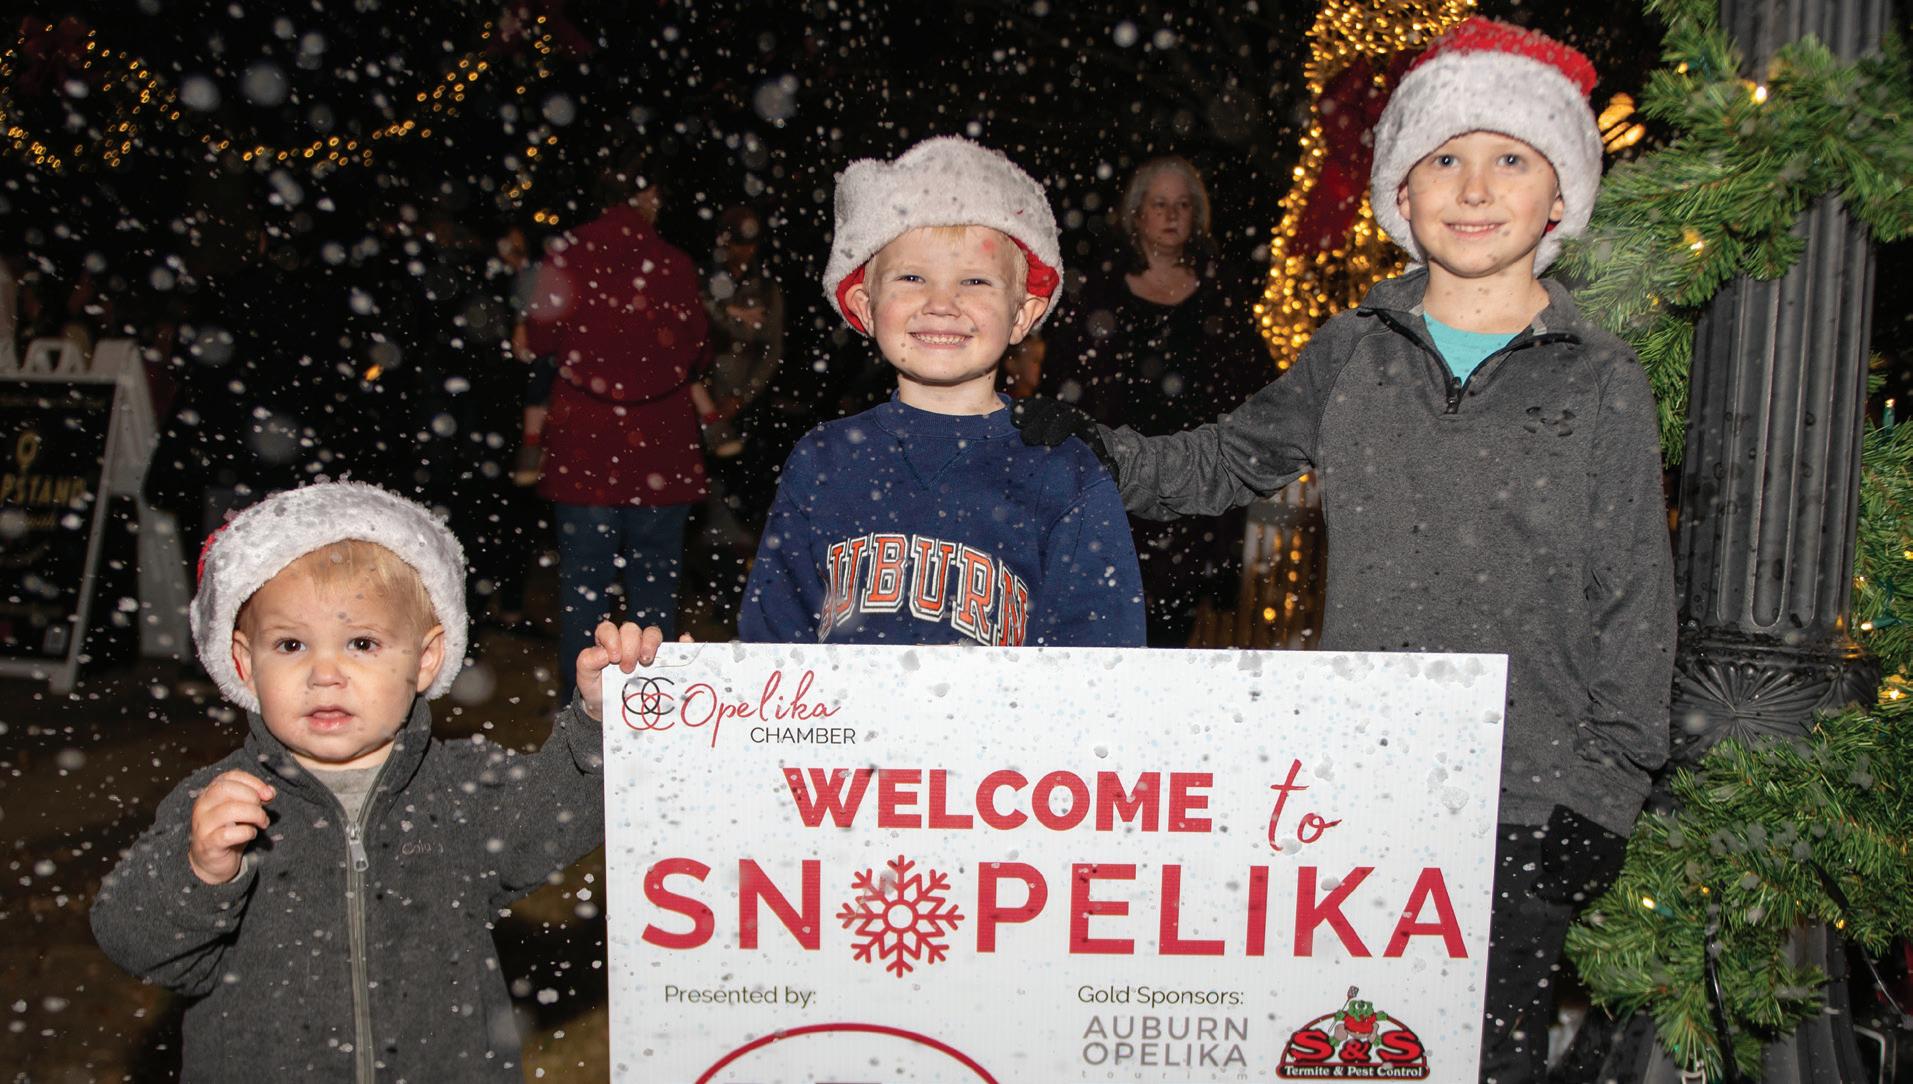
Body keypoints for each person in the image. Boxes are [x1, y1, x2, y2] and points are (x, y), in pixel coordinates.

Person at [1014, 20, 1675, 1082]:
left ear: (1559, 198)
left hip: (1524, 787)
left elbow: (1632, 593)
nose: (1472, 186)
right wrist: (1099, 449)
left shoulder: (1600, 379)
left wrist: (1604, 791)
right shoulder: (1354, 351)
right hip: (1364, 776)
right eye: (1442, 159)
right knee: (1348, 1046)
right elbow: (1224, 459)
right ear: (1400, 195)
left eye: (1510, 158)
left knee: (1486, 1056)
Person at [88, 481, 659, 1082]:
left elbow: (558, 814)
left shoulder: (460, 790)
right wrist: (200, 874)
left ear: (425, 659)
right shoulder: (218, 807)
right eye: (290, 644)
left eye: (361, 643)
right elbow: (133, 941)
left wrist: (600, 722)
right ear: (244, 663)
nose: (325, 673)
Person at [739, 135, 1145, 647]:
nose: (941, 304)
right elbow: (768, 654)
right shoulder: (822, 460)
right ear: (865, 306)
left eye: (975, 281)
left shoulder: (1066, 472)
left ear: (1022, 314)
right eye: (912, 277)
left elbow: (1104, 669)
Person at [1041, 156, 1264, 646]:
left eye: (1183, 205)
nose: (1171, 215)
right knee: (1102, 625)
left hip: (1192, 491)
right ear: (1136, 213)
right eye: (1159, 204)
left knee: (1170, 632)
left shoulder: (1220, 291)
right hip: (1110, 484)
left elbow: (1247, 386)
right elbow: (1063, 384)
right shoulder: (1098, 289)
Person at [523, 152, 710, 666]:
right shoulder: (673, 263)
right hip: (661, 445)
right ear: (648, 195)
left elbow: (539, 338)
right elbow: (697, 347)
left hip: (585, 445)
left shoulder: (566, 254)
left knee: (584, 592)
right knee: (655, 593)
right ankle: (652, 703)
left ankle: (580, 704)